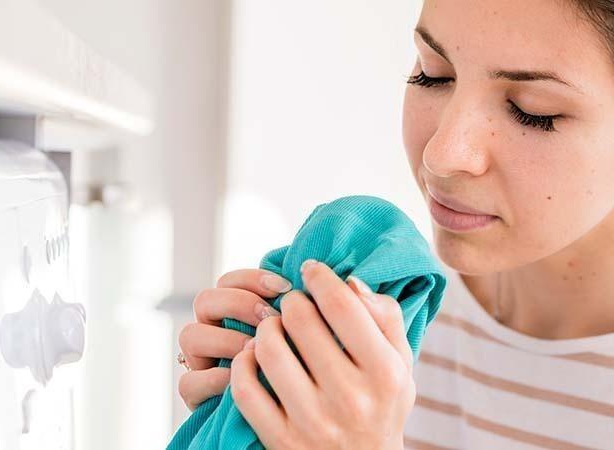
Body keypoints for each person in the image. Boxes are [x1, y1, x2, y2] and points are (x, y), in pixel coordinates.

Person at [174, 0, 614, 448]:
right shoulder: (383, 304)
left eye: (532, 110)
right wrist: (238, 419)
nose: (441, 155)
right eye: (432, 73)